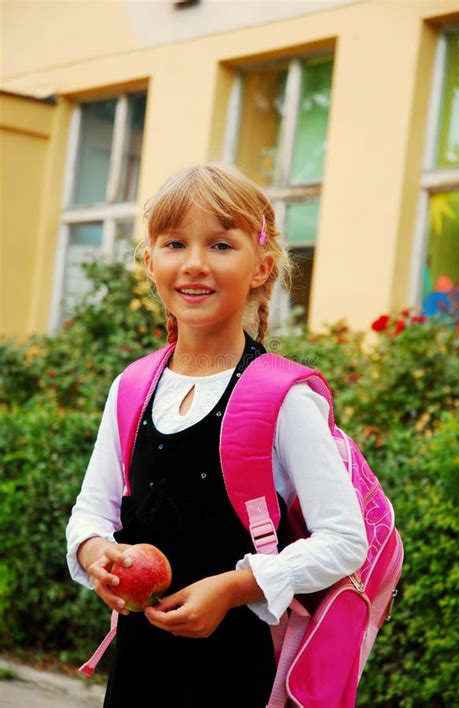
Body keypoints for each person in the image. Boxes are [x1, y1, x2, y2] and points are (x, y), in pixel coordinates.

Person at [66, 163, 368, 707]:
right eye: (176, 243)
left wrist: (233, 588)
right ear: (150, 259)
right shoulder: (133, 387)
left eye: (222, 245)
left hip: (234, 674)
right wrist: (95, 555)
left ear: (262, 266)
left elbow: (345, 540)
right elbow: (91, 511)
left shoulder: (283, 400)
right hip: (138, 669)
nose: (196, 264)